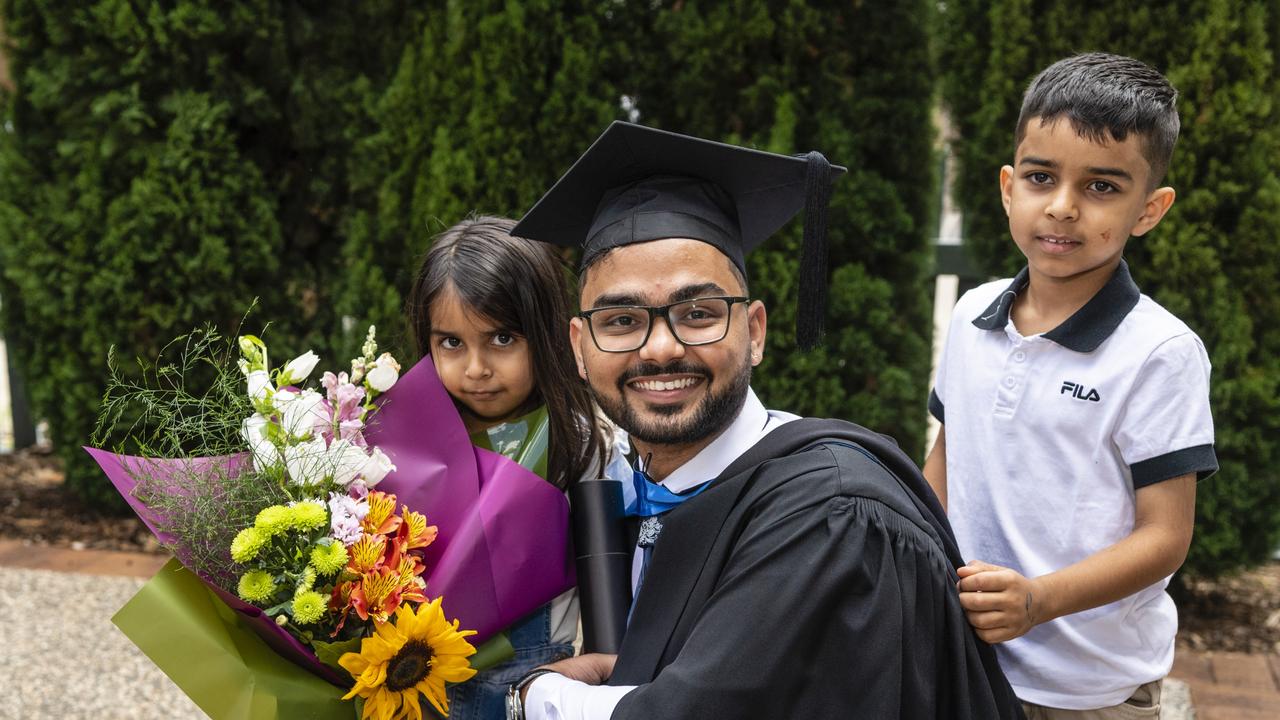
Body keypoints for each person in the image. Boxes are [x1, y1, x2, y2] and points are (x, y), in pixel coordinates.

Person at [503, 121, 1024, 719]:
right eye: (621, 321)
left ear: (754, 332)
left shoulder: (831, 514)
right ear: (578, 346)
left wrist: (535, 693)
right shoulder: (632, 492)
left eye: (697, 313)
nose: (661, 348)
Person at [922, 53, 1218, 719]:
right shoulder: (972, 315)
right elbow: (947, 459)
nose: (1062, 207)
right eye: (1040, 177)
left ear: (1150, 208)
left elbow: (1165, 536)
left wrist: (1039, 600)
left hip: (1088, 691)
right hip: (963, 659)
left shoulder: (1160, 354)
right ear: (1007, 187)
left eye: (1103, 188)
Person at [406, 216, 610, 720]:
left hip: (533, 689)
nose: (476, 368)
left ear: (545, 334)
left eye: (501, 339)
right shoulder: (405, 442)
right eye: (451, 342)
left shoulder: (584, 440)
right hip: (419, 685)